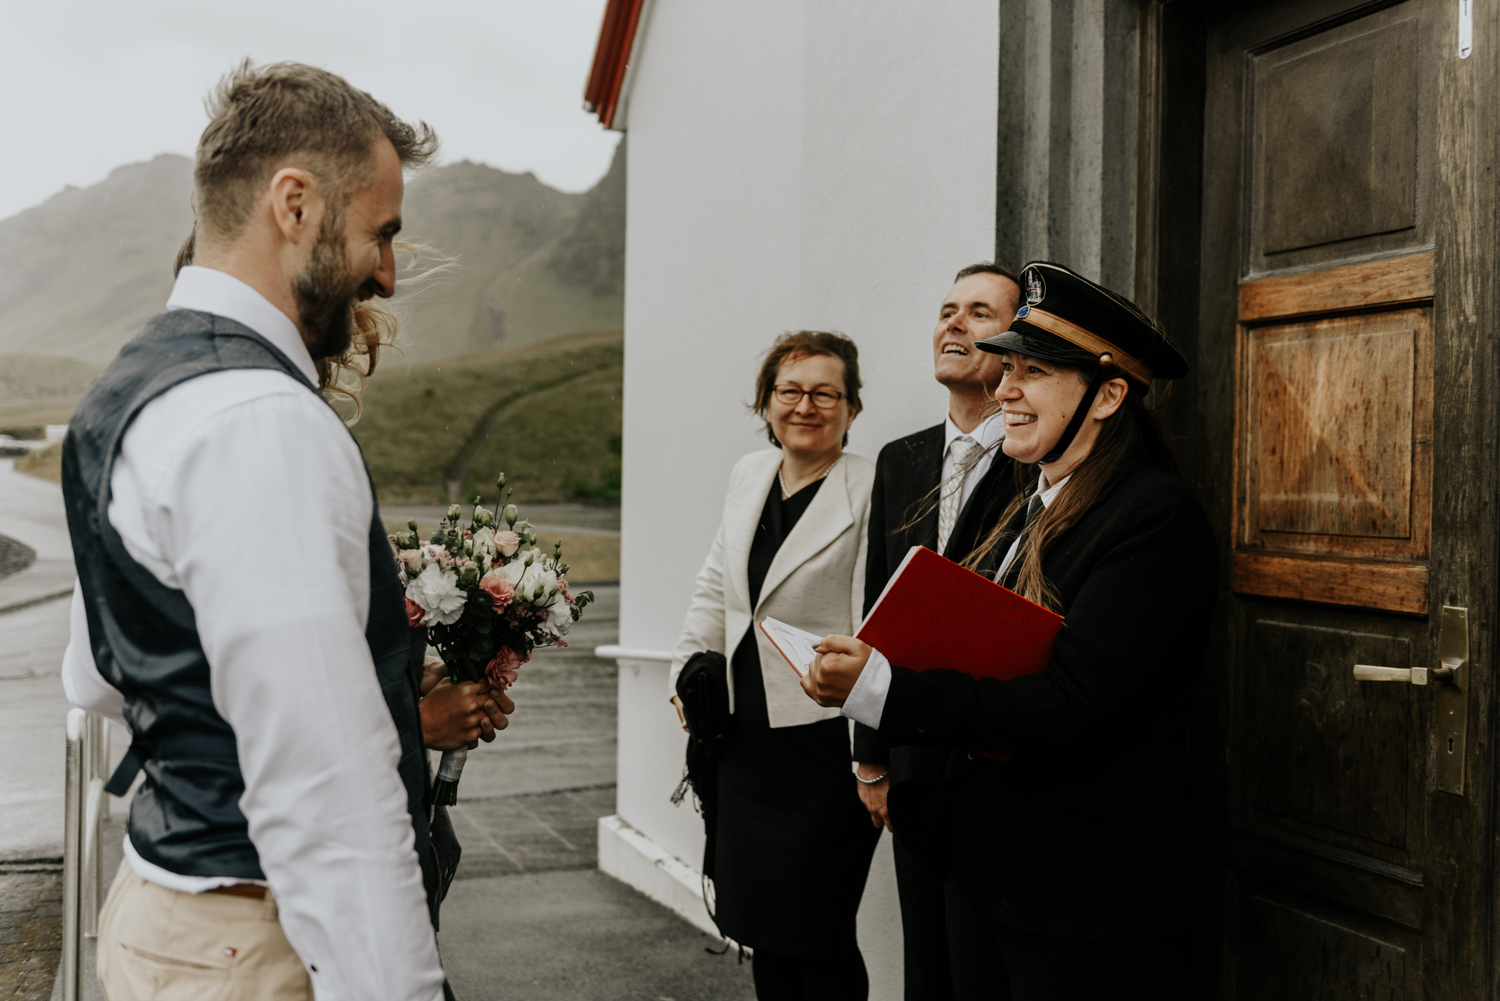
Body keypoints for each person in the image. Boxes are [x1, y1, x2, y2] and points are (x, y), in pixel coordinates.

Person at [57, 61, 476, 1001]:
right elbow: (328, 788)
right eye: (381, 231)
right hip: (255, 943)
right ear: (295, 204)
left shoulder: (124, 392)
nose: (389, 271)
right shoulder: (261, 421)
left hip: (163, 917)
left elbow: (93, 674)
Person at [803, 262, 1217, 1001]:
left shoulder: (1153, 515)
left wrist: (879, 687)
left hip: (1085, 900)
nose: (1004, 390)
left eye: (1035, 372)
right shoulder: (1017, 493)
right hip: (992, 874)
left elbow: (1071, 704)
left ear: (1109, 394)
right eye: (1008, 369)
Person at [669, 330, 879, 1001]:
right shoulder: (748, 474)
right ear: (766, 403)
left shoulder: (873, 486)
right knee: (761, 922)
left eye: (826, 392)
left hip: (823, 745)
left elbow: (876, 620)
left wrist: (872, 754)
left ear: (852, 407)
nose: (806, 405)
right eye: (790, 390)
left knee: (816, 929)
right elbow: (714, 587)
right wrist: (686, 670)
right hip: (745, 741)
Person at [852, 263, 1023, 1001]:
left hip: (1000, 754)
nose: (953, 323)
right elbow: (875, 610)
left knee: (986, 965)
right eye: (947, 309)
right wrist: (871, 758)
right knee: (926, 960)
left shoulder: (1037, 461)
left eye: (979, 312)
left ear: (1019, 346)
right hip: (913, 751)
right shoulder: (902, 458)